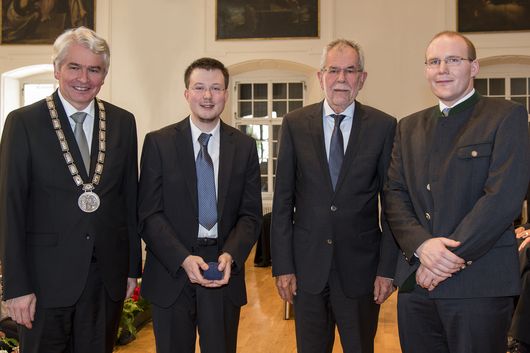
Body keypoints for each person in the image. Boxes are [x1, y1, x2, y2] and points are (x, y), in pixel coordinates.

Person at [385, 31, 530, 353]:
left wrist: (442, 260)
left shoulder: (506, 116)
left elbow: (502, 197)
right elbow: (394, 194)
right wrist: (421, 246)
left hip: (478, 283)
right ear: (425, 70)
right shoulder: (408, 126)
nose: (443, 69)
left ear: (474, 67)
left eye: (453, 60)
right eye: (434, 62)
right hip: (416, 283)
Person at [0, 26, 141, 353]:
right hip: (43, 281)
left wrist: (132, 269)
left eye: (94, 69)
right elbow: (11, 208)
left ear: (104, 75)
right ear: (57, 69)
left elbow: (128, 200)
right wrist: (16, 287)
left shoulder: (122, 122)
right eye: (74, 67)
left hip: (105, 278)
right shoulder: (23, 123)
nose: (84, 77)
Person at [271, 39, 398, 353]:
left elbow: (392, 203)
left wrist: (386, 269)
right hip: (307, 270)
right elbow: (283, 201)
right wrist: (283, 265)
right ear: (320, 76)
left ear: (362, 78)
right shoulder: (295, 124)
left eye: (350, 70)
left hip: (361, 272)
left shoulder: (383, 126)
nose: (341, 78)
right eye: (333, 70)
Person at [138, 57, 262, 353]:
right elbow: (148, 214)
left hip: (222, 271)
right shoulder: (159, 143)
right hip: (172, 273)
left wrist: (231, 254)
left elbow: (250, 215)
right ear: (187, 94)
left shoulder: (244, 147)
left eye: (216, 88)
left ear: (226, 95)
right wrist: (182, 257)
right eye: (200, 87)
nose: (208, 96)